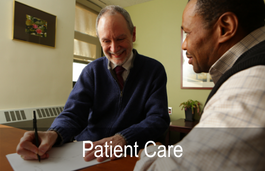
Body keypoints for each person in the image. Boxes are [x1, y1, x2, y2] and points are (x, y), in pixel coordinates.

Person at [16, 5, 170, 162]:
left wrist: (122, 138)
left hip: (129, 152)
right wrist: (53, 133)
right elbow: (73, 114)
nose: (114, 48)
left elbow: (158, 118)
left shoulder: (154, 70)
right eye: (106, 41)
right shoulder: (91, 71)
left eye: (120, 39)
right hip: (88, 152)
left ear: (134, 34)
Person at [134, 0, 265, 170]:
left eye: (187, 33)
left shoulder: (250, 87)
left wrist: (153, 150)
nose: (184, 45)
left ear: (225, 28)